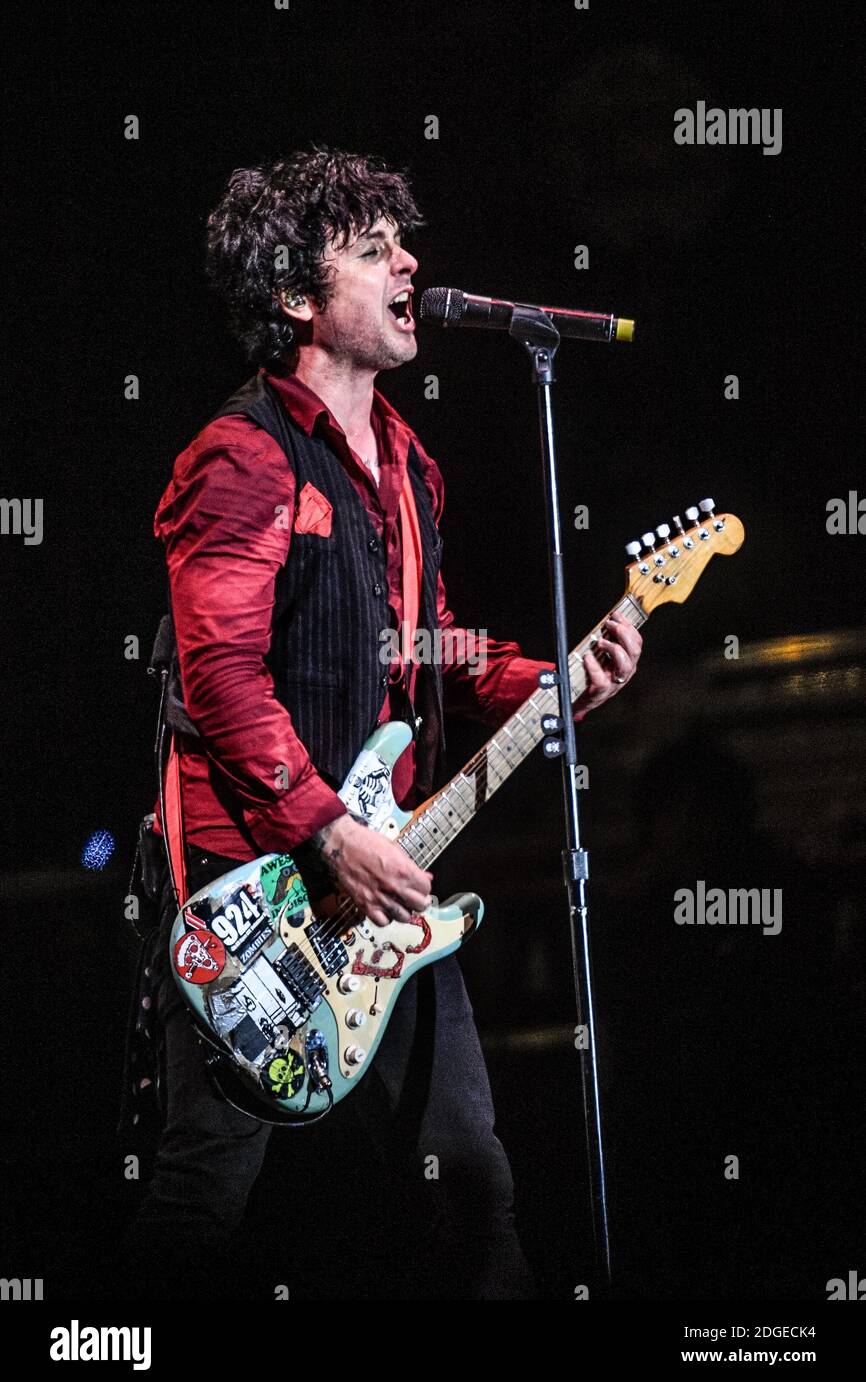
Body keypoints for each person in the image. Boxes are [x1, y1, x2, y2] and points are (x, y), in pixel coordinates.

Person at [118, 144, 642, 1300]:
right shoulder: (241, 459)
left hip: (381, 886)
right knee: (202, 1201)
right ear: (296, 298)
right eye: (373, 250)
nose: (412, 262)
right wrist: (324, 830)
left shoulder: (408, 466)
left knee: (470, 1182)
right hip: (255, 900)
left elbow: (428, 650)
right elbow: (220, 681)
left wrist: (553, 682)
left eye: (404, 243)